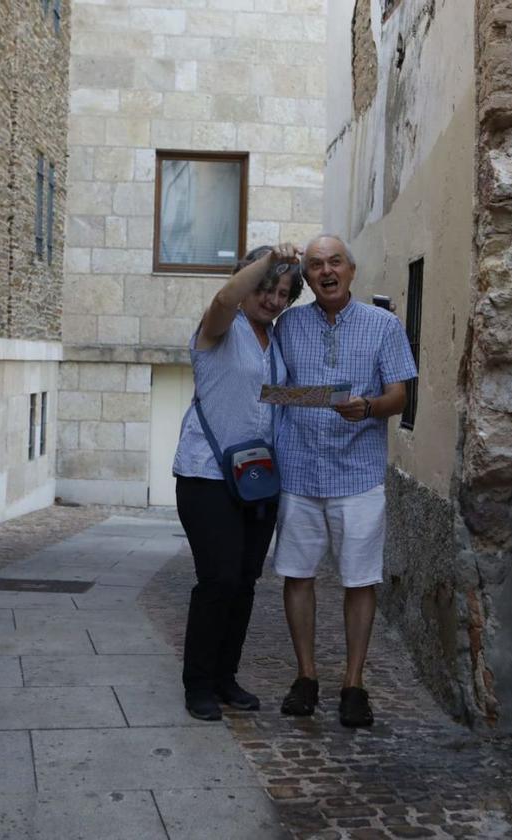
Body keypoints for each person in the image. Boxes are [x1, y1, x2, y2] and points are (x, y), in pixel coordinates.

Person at [272, 234, 417, 727]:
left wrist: (370, 407)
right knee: (297, 574)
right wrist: (314, 399)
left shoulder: (384, 326)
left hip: (358, 476)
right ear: (307, 277)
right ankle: (306, 676)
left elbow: (400, 397)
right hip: (299, 470)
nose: (326, 271)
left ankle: (354, 684)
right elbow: (271, 393)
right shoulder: (287, 325)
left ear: (352, 271)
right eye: (315, 265)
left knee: (359, 580)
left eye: (335, 262)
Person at [172, 243, 304, 721]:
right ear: (248, 280)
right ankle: (198, 684)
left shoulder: (274, 341)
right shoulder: (219, 329)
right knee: (219, 579)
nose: (272, 299)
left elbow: (273, 396)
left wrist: (340, 400)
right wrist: (269, 262)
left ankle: (226, 677)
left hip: (256, 480)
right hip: (206, 474)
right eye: (266, 288)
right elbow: (226, 299)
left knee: (245, 582)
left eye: (283, 293)